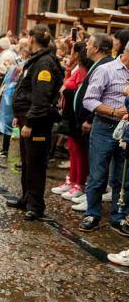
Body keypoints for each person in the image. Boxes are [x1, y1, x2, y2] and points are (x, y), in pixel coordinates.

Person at [6, 25, 64, 220]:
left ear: (32, 39)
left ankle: (36, 206)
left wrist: (29, 122)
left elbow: (41, 98)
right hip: (26, 119)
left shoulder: (45, 63)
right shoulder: (37, 60)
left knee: (35, 164)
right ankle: (27, 199)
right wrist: (19, 115)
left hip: (37, 122)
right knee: (27, 162)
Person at [78, 35, 129, 235]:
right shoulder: (106, 70)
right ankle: (92, 214)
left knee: (123, 177)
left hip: (126, 130)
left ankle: (119, 216)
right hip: (105, 127)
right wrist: (114, 112)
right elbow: (89, 100)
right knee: (98, 175)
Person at [51, 41, 90, 200]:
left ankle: (79, 183)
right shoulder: (76, 68)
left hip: (76, 116)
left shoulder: (83, 70)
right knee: (73, 149)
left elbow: (80, 91)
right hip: (70, 114)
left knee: (79, 150)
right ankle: (73, 179)